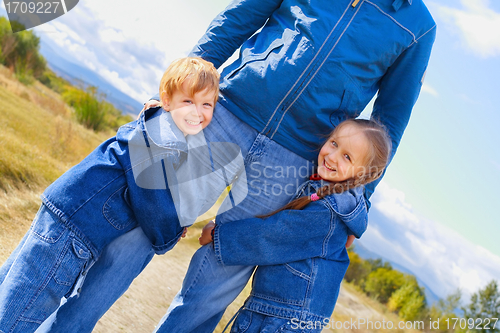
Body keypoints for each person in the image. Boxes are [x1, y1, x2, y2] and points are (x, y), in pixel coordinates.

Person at [44, 0, 436, 331]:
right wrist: (178, 93)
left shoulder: (418, 27)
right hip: (226, 113)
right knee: (139, 228)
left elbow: (389, 122)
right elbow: (237, 18)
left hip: (297, 157)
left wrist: (356, 199)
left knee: (219, 275)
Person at [0, 57, 220, 333]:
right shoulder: (158, 137)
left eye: (206, 104)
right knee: (22, 310)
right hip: (73, 232)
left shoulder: (156, 130)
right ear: (166, 100)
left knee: (11, 292)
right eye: (188, 101)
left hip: (64, 216)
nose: (197, 112)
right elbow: (151, 200)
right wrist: (172, 231)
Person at [198, 118, 391, 332]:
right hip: (279, 311)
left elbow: (274, 235)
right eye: (334, 143)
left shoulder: (329, 212)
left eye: (347, 157)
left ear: (363, 174)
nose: (333, 156)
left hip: (285, 319)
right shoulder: (324, 189)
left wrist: (219, 236)